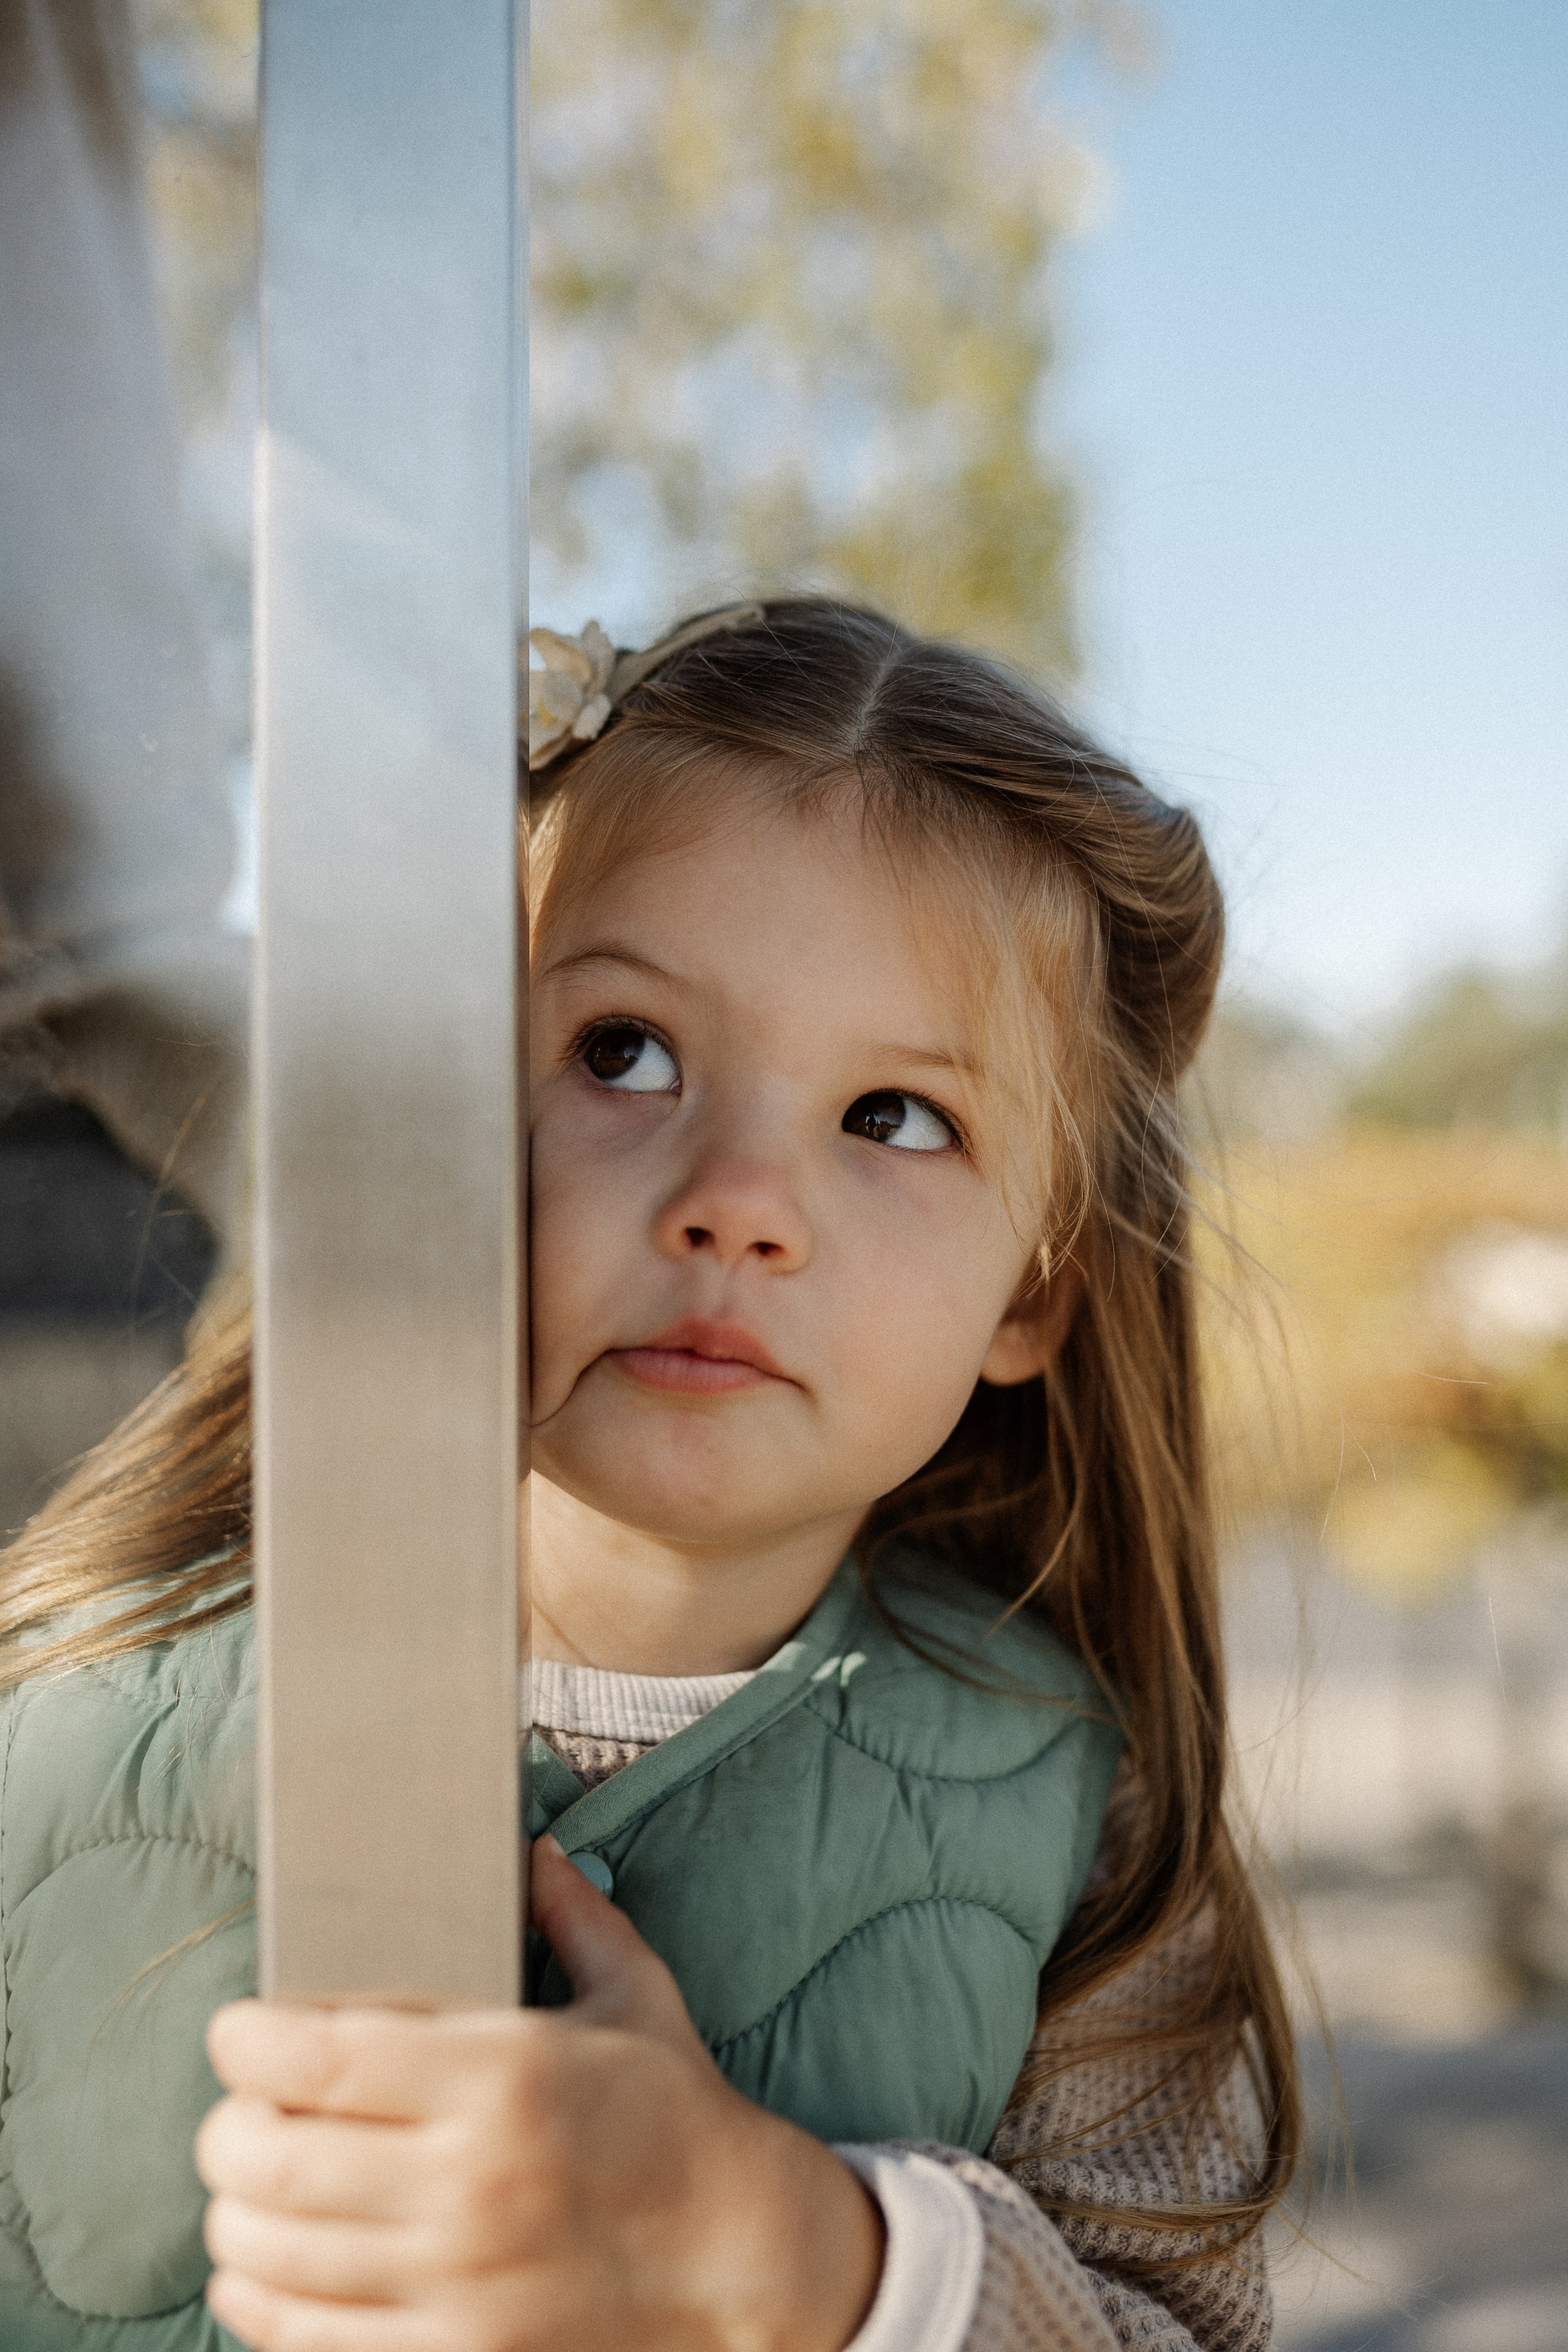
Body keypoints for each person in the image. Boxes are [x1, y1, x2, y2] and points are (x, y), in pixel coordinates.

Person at [0, 600, 1298, 2351]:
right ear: (443, 1121)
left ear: (1035, 1295)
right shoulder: (67, 1684)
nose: (737, 1203)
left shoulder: (1090, 1828)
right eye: (626, 1052)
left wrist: (796, 2258)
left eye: (896, 1116)